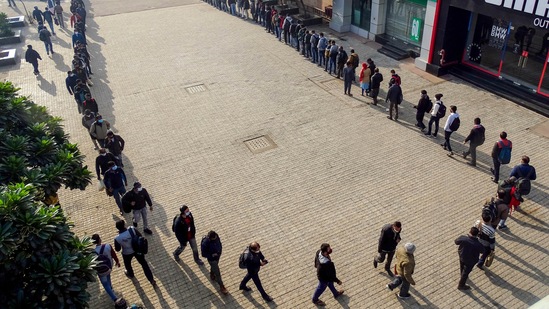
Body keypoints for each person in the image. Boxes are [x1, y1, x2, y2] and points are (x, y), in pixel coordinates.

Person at [114, 220, 156, 285]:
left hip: (127, 253)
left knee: (127, 264)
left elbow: (117, 249)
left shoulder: (117, 238)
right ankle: (151, 280)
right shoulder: (132, 229)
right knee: (144, 264)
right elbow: (140, 236)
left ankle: (131, 274)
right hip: (137, 250)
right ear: (124, 225)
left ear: (117, 228)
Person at [92, 234, 120, 301]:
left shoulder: (93, 252)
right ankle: (110, 287)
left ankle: (114, 298)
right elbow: (113, 255)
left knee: (105, 284)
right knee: (108, 275)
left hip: (100, 271)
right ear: (99, 239)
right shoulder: (107, 246)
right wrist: (117, 261)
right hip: (109, 267)